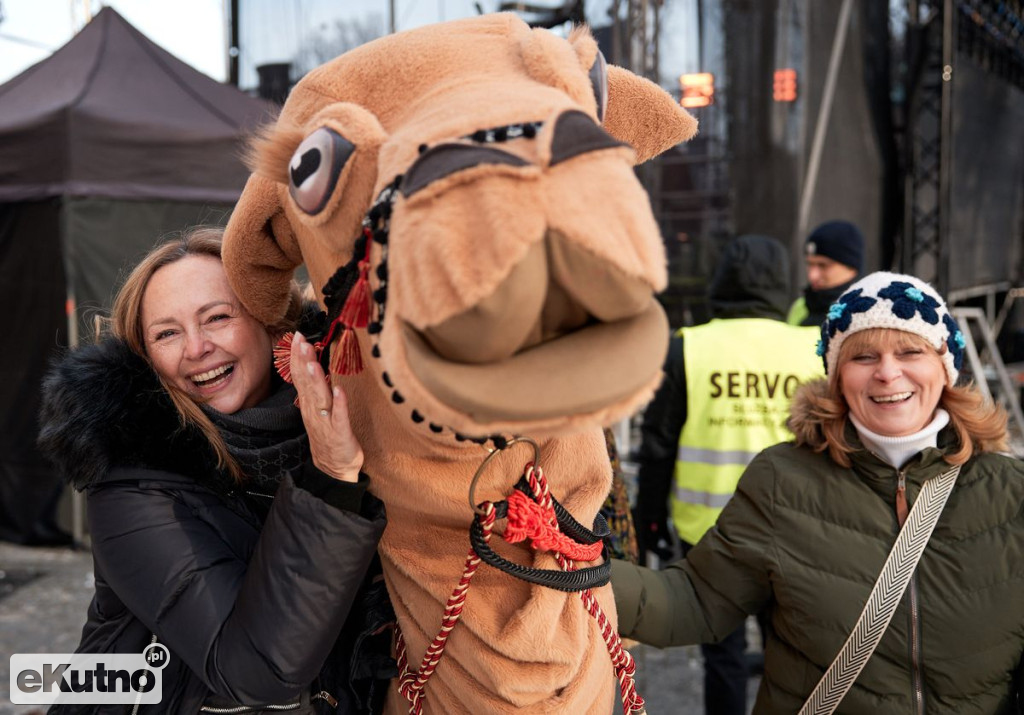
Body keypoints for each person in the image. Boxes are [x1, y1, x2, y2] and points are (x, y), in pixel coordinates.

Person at [616, 271, 1024, 714]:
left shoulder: (1011, 492)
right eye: (863, 356)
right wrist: (576, 572)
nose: (888, 373)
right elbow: (694, 601)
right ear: (837, 375)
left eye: (911, 351)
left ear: (945, 367)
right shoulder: (783, 480)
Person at [37, 227, 394, 713]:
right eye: (167, 333)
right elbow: (255, 672)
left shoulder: (350, 425)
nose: (196, 348)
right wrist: (330, 481)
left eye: (218, 317)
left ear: (271, 325)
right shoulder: (132, 480)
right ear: (146, 358)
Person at [632, 234, 823, 715]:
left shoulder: (690, 348)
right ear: (783, 284)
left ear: (722, 281)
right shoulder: (813, 349)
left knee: (723, 655)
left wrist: (648, 519)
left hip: (711, 534)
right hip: (797, 530)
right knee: (798, 656)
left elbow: (657, 445)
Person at [787, 220, 865, 327]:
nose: (812, 275)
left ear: (851, 267)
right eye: (810, 264)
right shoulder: (800, 306)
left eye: (823, 265)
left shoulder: (867, 312)